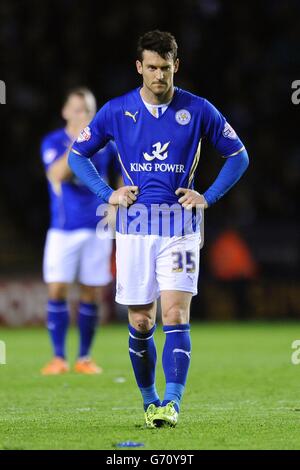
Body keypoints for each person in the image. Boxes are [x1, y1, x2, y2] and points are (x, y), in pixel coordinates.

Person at [68, 31, 249, 426]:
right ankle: (150, 400)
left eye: (165, 68)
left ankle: (172, 403)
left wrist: (208, 196)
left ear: (175, 66)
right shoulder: (117, 111)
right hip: (134, 230)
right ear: (139, 67)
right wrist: (107, 193)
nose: (158, 75)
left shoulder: (199, 110)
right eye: (151, 67)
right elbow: (78, 155)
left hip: (181, 228)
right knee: (141, 321)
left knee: (175, 313)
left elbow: (238, 156)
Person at [41, 87, 118, 375]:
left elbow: (120, 177)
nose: (83, 115)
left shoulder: (107, 145)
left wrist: (117, 203)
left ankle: (84, 357)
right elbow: (57, 174)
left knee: (92, 292)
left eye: (88, 110)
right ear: (65, 112)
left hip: (97, 227)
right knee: (57, 288)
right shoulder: (53, 141)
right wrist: (80, 142)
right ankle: (58, 357)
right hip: (63, 228)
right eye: (77, 109)